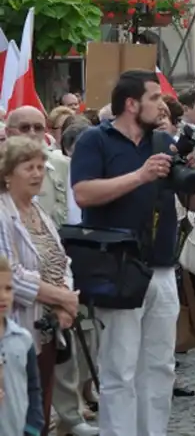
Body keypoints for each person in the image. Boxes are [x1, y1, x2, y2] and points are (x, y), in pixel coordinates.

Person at [70, 70, 195, 436]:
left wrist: (191, 176)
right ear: (131, 104)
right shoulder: (94, 141)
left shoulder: (163, 141)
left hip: (161, 266)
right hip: (116, 264)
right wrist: (140, 176)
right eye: (155, 99)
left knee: (160, 367)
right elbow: (83, 194)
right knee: (120, 368)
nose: (162, 106)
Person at [0, 136, 97, 436]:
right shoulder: (3, 214)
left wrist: (64, 300)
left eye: (41, 166)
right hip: (19, 321)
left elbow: (60, 259)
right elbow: (10, 272)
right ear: (7, 175)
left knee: (40, 400)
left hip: (48, 322)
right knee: (20, 406)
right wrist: (62, 298)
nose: (37, 173)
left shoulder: (39, 211)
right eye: (28, 167)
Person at [0, 255, 44, 436]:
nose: (3, 296)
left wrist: (32, 427)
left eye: (8, 288)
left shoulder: (23, 339)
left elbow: (33, 386)